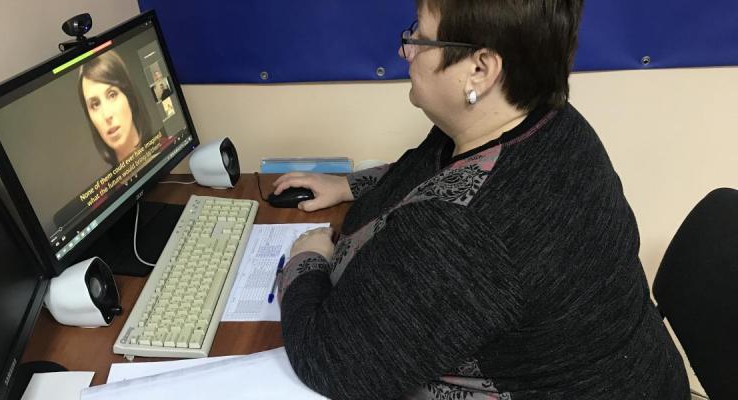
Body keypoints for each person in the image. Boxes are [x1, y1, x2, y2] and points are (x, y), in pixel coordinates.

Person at [271, 1, 690, 399]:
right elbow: (430, 171)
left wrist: (308, 258)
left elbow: (331, 361)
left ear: (479, 69)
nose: (404, 50)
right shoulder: (550, 120)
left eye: (419, 37)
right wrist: (349, 186)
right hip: (639, 372)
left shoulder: (464, 233)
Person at [79, 51, 152, 167]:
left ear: (130, 97)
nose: (106, 115)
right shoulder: (106, 181)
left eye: (112, 95)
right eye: (95, 105)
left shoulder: (171, 146)